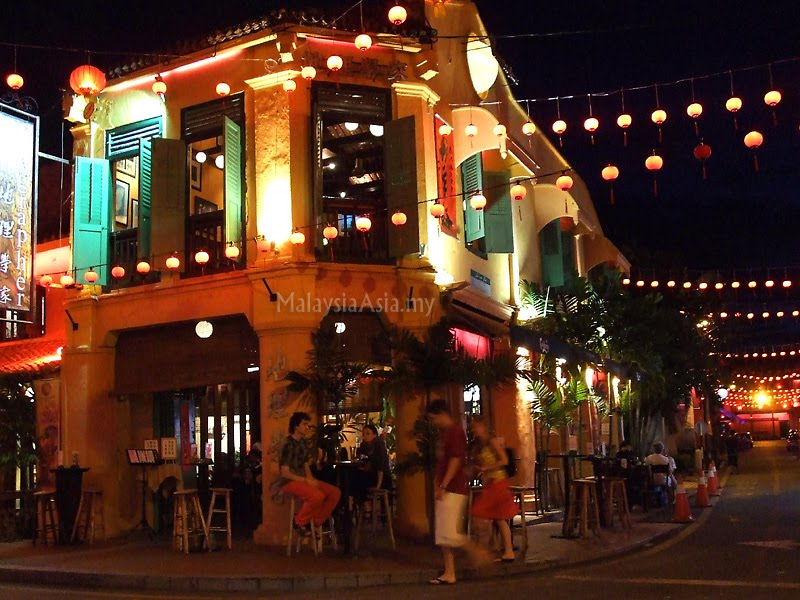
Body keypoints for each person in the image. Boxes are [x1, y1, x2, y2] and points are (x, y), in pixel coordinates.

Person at [427, 399, 492, 585]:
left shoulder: (455, 432)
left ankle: (478, 553)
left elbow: (455, 460)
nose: (433, 422)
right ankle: (449, 572)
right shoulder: (446, 433)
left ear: (442, 414)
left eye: (433, 418)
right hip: (447, 488)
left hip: (453, 489)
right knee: (443, 534)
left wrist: (443, 485)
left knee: (450, 534)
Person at [280, 412, 341, 532]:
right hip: (289, 481)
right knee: (317, 496)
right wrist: (306, 480)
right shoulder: (288, 444)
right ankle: (299, 521)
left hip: (303, 479)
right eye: (304, 424)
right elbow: (285, 473)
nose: (307, 427)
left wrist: (310, 479)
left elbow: (305, 464)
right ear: (296, 426)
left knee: (335, 493)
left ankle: (314, 522)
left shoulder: (302, 442)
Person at [469, 415, 516, 562]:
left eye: (475, 426)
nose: (473, 430)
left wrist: (486, 467)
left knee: (479, 512)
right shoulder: (478, 445)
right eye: (472, 427)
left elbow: (504, 460)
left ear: (483, 426)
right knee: (498, 517)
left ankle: (488, 549)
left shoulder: (492, 441)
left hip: (498, 481)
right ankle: (505, 550)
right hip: (491, 482)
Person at [351, 424, 393, 503]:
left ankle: (366, 505)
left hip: (383, 478)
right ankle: (362, 504)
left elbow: (380, 467)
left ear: (374, 435)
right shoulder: (363, 446)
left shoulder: (379, 445)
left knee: (358, 479)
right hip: (372, 475)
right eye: (363, 434)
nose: (365, 436)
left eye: (368, 433)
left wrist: (378, 486)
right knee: (353, 476)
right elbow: (365, 462)